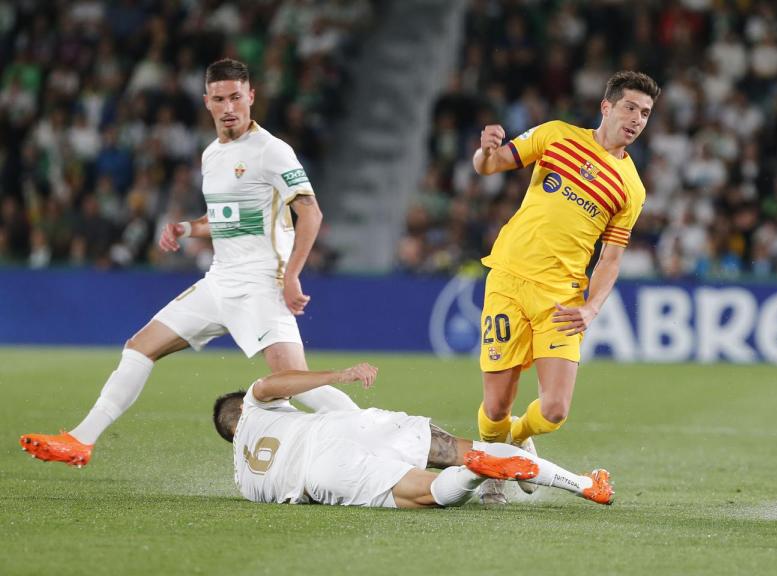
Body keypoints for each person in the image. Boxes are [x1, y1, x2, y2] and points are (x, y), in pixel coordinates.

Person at [19, 58, 354, 467]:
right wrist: (187, 228)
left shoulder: (271, 150)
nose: (229, 106)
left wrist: (293, 275)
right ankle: (80, 440)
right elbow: (229, 218)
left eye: (236, 97)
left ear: (251, 96)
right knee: (140, 347)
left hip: (262, 285)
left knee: (297, 385)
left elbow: (311, 213)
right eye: (219, 99)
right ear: (206, 102)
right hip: (219, 282)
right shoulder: (212, 154)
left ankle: (377, 432)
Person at [471, 71, 659, 503]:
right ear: (606, 107)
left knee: (554, 411)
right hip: (508, 280)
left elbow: (610, 258)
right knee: (496, 405)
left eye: (645, 113)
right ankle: (496, 469)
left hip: (561, 298)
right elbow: (491, 166)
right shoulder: (557, 136)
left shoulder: (632, 188)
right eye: (630, 107)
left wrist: (592, 308)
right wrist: (484, 153)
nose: (636, 119)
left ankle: (511, 444)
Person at [213, 364, 614, 508]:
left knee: (429, 493)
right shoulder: (255, 405)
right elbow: (269, 384)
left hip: (322, 475)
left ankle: (477, 475)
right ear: (243, 411)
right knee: (460, 449)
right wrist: (340, 375)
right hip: (347, 427)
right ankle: (584, 484)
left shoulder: (243, 481)